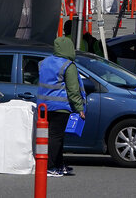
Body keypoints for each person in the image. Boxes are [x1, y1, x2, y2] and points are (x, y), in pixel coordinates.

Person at [37, 36, 85, 177]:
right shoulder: (68, 65)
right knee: (56, 137)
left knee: (53, 137)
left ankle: (59, 165)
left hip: (43, 106)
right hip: (60, 106)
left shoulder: (44, 62)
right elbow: (73, 89)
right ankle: (50, 167)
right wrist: (79, 108)